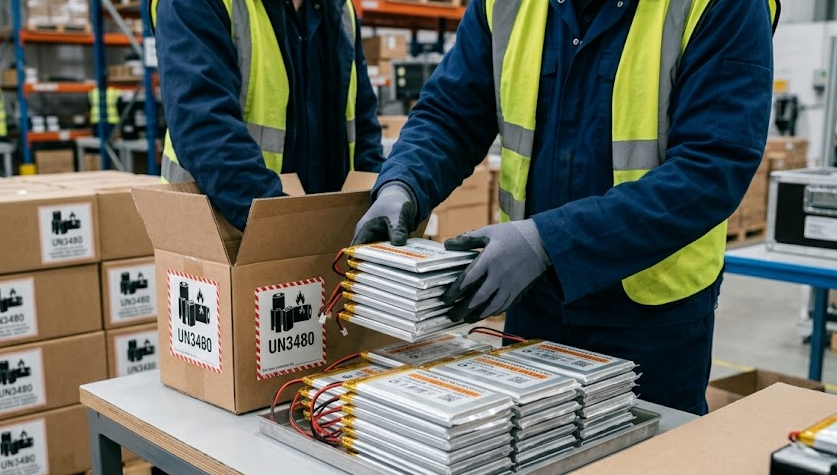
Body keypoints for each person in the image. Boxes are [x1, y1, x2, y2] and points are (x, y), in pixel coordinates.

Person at [353, 0, 780, 415]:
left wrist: (549, 242)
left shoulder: (723, 6)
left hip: (652, 317)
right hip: (532, 297)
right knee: (520, 468)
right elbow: (451, 113)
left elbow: (710, 170)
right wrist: (402, 182)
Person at [152, 0, 384, 231]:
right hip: (218, 232)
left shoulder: (340, 9)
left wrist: (379, 204)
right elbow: (204, 127)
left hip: (323, 237)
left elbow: (363, 127)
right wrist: (285, 230)